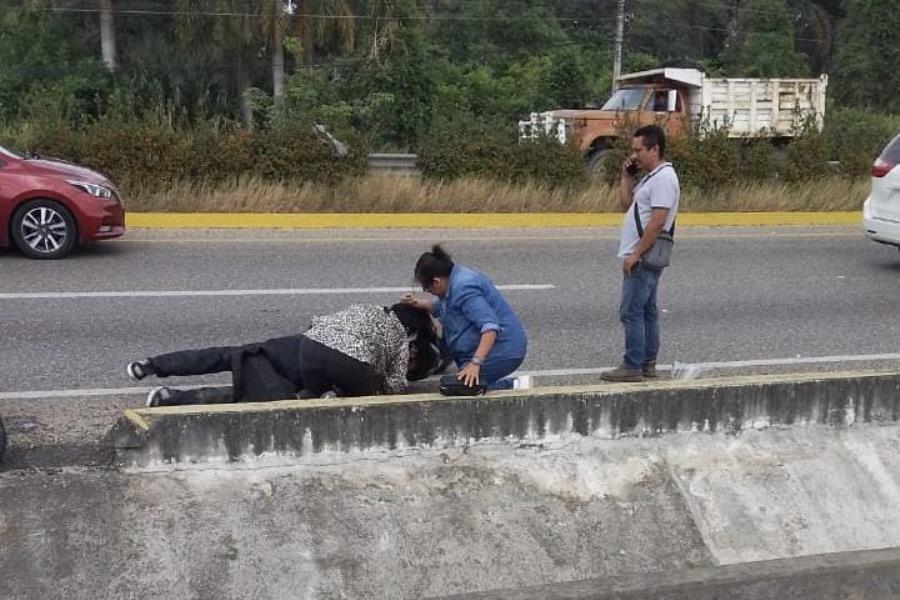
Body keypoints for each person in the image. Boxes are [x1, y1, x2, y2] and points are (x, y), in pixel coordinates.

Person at [127, 303, 440, 407]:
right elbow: (395, 386)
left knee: (227, 356)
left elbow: (317, 323)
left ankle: (153, 365)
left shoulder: (364, 309)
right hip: (301, 377)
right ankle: (168, 399)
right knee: (239, 396)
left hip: (297, 348)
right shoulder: (399, 339)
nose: (410, 357)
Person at [601, 124, 680, 382]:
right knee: (646, 310)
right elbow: (626, 205)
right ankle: (646, 363)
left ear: (654, 149)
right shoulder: (652, 178)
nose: (634, 155)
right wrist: (626, 176)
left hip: (645, 255)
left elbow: (657, 221)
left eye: (638, 150)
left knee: (631, 310)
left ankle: (632, 365)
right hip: (644, 253)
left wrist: (636, 252)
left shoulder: (665, 178)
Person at [402, 245, 529, 391]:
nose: (428, 292)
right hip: (475, 350)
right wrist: (417, 303)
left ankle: (514, 386)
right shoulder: (452, 278)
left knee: (461, 387)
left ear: (436, 282)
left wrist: (475, 363)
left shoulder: (465, 288)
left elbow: (490, 328)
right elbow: (446, 308)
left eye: (426, 288)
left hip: (503, 349)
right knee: (459, 382)